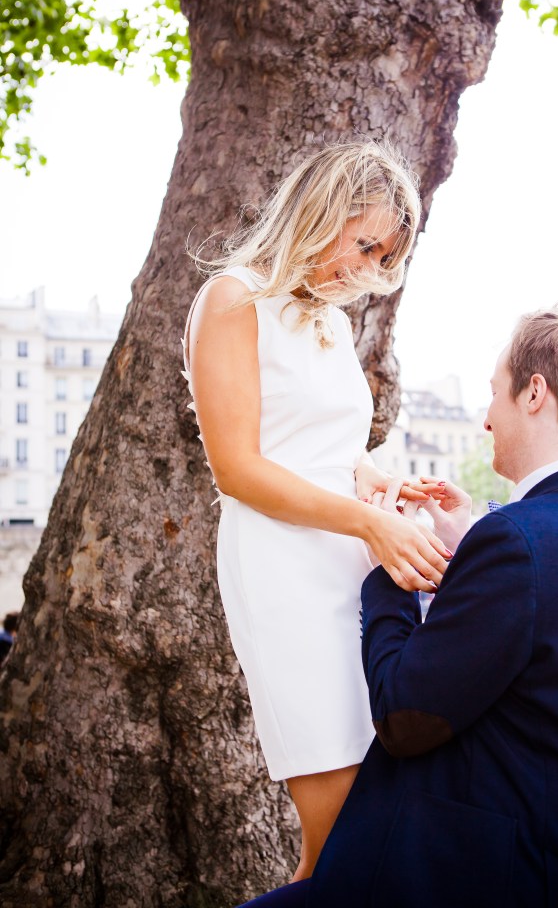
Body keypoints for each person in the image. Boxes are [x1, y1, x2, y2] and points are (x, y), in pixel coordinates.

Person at [242, 307, 558, 907]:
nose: (485, 419)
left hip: (501, 863)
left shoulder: (517, 543)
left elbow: (404, 718)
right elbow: (550, 646)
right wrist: (465, 546)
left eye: (494, 393)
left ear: (534, 393)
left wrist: (390, 568)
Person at [183, 139, 451, 881]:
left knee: (375, 817)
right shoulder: (233, 299)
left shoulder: (329, 319)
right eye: (363, 243)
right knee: (339, 837)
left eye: (382, 256)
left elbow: (328, 448)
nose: (366, 269)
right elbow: (237, 468)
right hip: (282, 568)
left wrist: (380, 483)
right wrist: (369, 521)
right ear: (322, 209)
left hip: (348, 564)